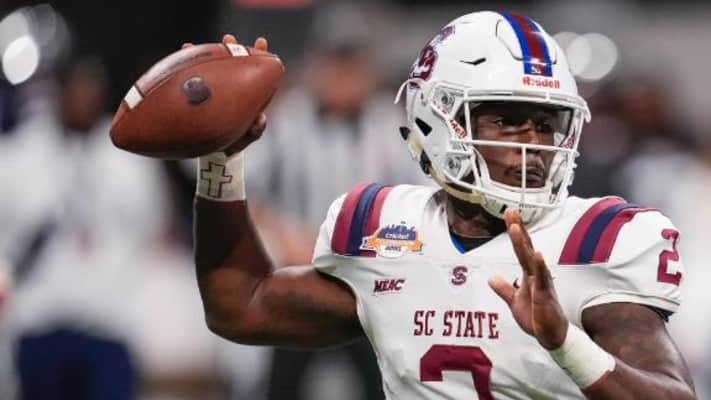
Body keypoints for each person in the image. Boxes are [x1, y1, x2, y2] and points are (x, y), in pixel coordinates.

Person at [189, 11, 696, 399]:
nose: (534, 144)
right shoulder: (386, 233)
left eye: (546, 124)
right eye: (507, 120)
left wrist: (566, 342)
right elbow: (240, 307)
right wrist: (220, 160)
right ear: (436, 119)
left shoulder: (595, 242)